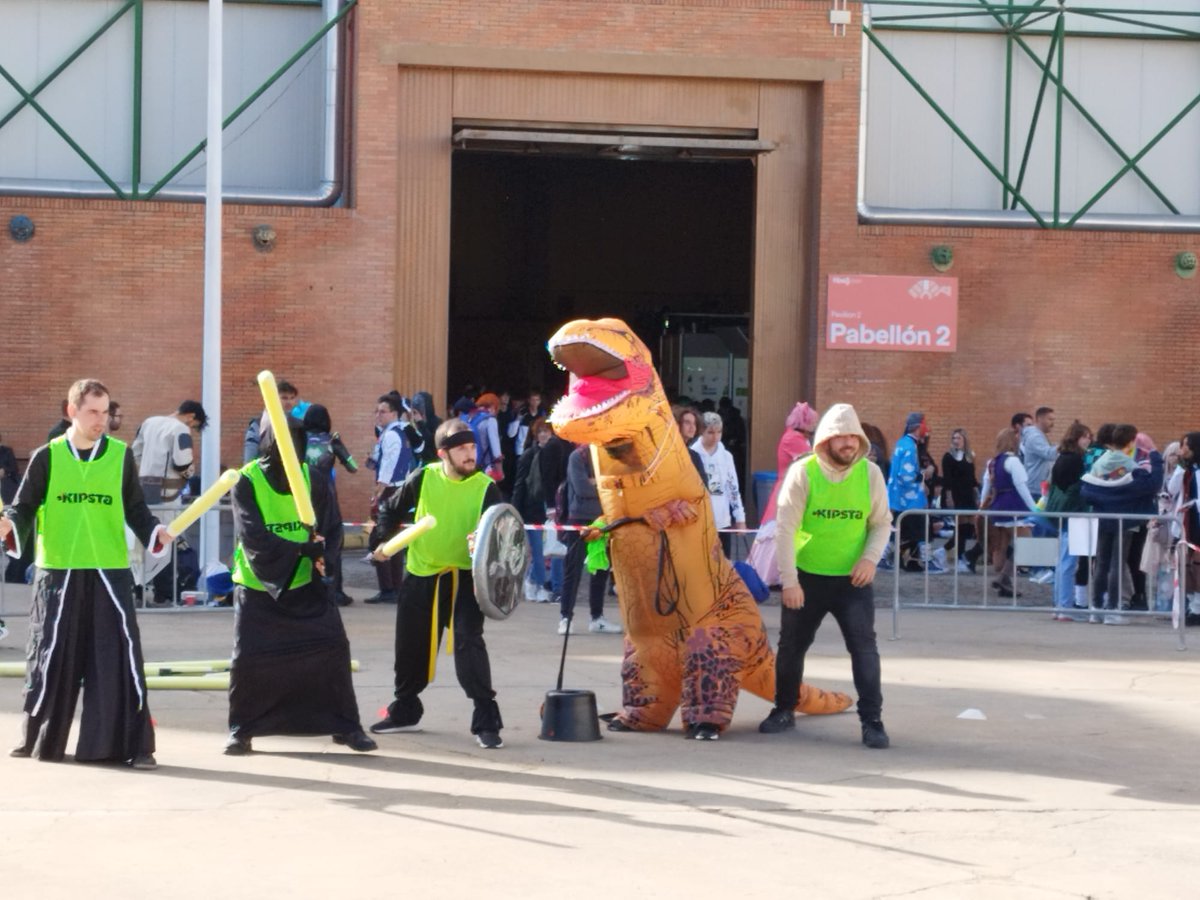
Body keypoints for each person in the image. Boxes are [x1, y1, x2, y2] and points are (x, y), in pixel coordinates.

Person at [1, 378, 170, 769]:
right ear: (72, 412)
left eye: (106, 411)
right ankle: (37, 739)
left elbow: (136, 510)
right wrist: (9, 525)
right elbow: (23, 507)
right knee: (49, 655)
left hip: (109, 570)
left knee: (118, 657)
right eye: (93, 411)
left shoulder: (120, 455)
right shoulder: (47, 456)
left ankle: (131, 746)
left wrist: (156, 534)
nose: (102, 419)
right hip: (57, 570)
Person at [224, 414, 375, 755]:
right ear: (266, 441)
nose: (290, 448)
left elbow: (333, 527)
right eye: (281, 440)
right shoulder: (246, 481)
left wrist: (324, 556)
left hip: (306, 583)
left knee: (334, 648)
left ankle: (345, 726)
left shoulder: (315, 479)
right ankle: (242, 729)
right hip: (258, 586)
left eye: (297, 440)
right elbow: (253, 537)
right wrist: (300, 550)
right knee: (248, 659)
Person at [760, 403, 892, 748]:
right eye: (840, 436)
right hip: (807, 577)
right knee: (791, 647)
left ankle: (872, 721)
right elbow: (785, 529)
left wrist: (870, 559)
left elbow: (881, 523)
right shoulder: (804, 473)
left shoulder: (871, 475)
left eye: (853, 436)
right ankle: (784, 708)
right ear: (826, 440)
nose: (848, 443)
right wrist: (789, 581)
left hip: (853, 581)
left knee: (864, 649)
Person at [369, 418, 506, 749]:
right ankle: (405, 711)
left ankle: (486, 719)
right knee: (411, 646)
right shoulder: (424, 477)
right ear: (444, 453)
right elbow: (389, 509)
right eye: (462, 449)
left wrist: (485, 543)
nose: (470, 455)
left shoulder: (486, 487)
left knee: (468, 643)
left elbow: (503, 531)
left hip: (465, 579)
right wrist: (384, 542)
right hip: (421, 574)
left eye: (472, 448)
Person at [1081, 424, 1162, 625]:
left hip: (1103, 517)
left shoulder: (1100, 463)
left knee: (1101, 562)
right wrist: (1153, 452)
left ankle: (1096, 607)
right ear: (1131, 441)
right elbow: (1152, 484)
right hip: (1125, 519)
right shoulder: (1130, 465)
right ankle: (1113, 609)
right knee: (1117, 563)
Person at [556, 442, 622, 636]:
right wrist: (605, 486)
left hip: (604, 518)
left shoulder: (610, 455)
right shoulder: (578, 456)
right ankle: (565, 617)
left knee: (600, 567)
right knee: (573, 569)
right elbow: (582, 488)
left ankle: (597, 617)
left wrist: (596, 482)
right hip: (580, 518)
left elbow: (619, 484)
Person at [366, 393, 423, 604]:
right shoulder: (397, 431)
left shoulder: (391, 435)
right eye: (377, 411)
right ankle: (395, 587)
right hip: (398, 489)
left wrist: (379, 489)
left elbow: (389, 464)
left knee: (381, 537)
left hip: (390, 490)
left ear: (395, 413)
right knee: (393, 538)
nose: (378, 415)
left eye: (383, 412)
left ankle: (388, 588)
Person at [302, 403, 357, 607]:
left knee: (305, 539)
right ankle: (335, 590)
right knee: (333, 542)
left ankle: (306, 588)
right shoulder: (331, 441)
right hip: (327, 496)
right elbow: (353, 466)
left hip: (304, 494)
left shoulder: (300, 440)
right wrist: (339, 444)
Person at [979, 428, 1038, 597]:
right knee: (1026, 543)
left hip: (997, 507)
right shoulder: (1013, 461)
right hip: (1014, 507)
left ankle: (1005, 582)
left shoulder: (992, 462)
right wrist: (1035, 509)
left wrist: (981, 508)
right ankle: (1004, 577)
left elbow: (986, 487)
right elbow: (1022, 487)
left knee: (1003, 546)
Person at [1045, 420, 1093, 619]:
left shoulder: (1062, 457)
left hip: (1065, 512)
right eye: (1086, 437)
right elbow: (1078, 487)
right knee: (1068, 562)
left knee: (1063, 561)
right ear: (1077, 438)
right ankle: (1064, 606)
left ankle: (1060, 605)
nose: (1089, 441)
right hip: (1075, 512)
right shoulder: (1075, 459)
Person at [690, 411, 746, 558]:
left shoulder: (726, 456)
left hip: (722, 520)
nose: (715, 437)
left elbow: (733, 488)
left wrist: (740, 518)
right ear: (701, 431)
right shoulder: (691, 454)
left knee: (723, 562)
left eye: (719, 432)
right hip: (698, 520)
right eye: (710, 432)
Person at [511, 416, 555, 603]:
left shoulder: (556, 453)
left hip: (551, 508)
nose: (544, 435)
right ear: (535, 435)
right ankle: (537, 584)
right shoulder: (529, 455)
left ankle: (533, 581)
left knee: (548, 550)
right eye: (541, 432)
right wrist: (515, 510)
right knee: (537, 551)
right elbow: (520, 483)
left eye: (547, 431)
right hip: (532, 509)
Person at [131, 399, 208, 503]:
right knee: (170, 519)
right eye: (193, 425)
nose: (191, 427)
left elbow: (135, 455)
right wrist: (190, 473)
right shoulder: (181, 428)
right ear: (191, 416)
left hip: (144, 488)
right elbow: (182, 463)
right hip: (168, 491)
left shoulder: (149, 422)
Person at [887, 412, 931, 571]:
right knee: (915, 531)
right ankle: (913, 560)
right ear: (918, 427)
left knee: (902, 530)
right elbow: (906, 474)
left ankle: (901, 560)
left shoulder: (902, 443)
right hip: (909, 499)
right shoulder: (909, 446)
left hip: (899, 497)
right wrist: (922, 477)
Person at [941, 428, 982, 573]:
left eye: (958, 438)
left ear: (964, 440)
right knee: (961, 526)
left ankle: (944, 550)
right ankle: (958, 557)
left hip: (968, 494)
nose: (956, 441)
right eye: (954, 438)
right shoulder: (948, 457)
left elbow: (972, 478)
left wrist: (977, 494)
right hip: (956, 494)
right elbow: (948, 479)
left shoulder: (970, 456)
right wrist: (949, 496)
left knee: (969, 528)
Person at [244, 379, 300, 463]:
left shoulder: (296, 423)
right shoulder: (258, 424)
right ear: (273, 398)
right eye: (284, 398)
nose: (289, 402)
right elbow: (250, 456)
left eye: (292, 398)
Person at [1020, 406, 1057, 500]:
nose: (1053, 423)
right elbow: (1049, 454)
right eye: (1050, 419)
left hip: (1039, 485)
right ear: (1040, 419)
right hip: (1035, 487)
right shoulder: (1035, 437)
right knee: (1037, 514)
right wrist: (1066, 444)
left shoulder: (1039, 435)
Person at [675, 405, 706, 483]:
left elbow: (703, 484)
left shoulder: (694, 456)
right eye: (687, 422)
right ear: (677, 425)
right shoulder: (667, 452)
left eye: (694, 423)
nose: (692, 427)